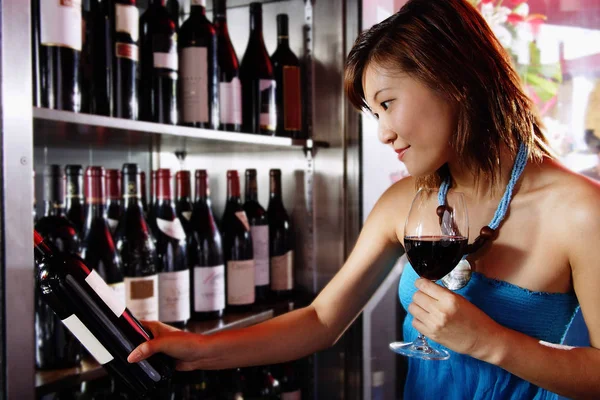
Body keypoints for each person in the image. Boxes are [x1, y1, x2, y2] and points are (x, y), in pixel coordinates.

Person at [128, 0, 600, 398]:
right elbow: (319, 320)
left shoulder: (579, 210)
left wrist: (492, 343)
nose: (383, 132)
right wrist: (199, 349)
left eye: (388, 103)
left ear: (453, 79)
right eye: (374, 113)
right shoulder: (405, 201)